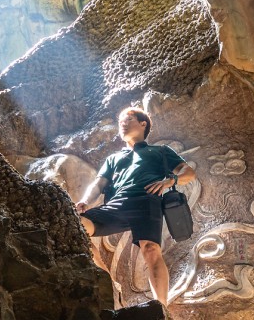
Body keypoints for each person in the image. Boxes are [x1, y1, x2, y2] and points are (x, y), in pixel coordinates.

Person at [75, 107, 196, 306]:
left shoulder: (160, 151)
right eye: (119, 120)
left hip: (146, 201)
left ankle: (160, 308)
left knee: (150, 249)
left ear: (143, 124)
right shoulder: (113, 158)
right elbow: (98, 184)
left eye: (127, 119)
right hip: (116, 204)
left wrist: (170, 181)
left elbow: (189, 172)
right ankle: (108, 284)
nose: (121, 123)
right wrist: (85, 201)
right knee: (76, 226)